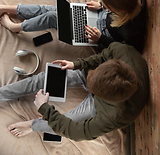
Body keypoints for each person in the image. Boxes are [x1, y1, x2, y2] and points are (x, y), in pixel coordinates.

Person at [0, 42, 149, 141]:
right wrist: (77, 64)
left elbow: (76, 131)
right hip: (103, 84)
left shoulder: (116, 116)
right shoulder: (122, 50)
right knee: (45, 78)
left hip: (101, 106)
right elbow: (101, 57)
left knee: (66, 122)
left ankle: (32, 125)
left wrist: (44, 109)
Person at [0, 0, 147, 53]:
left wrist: (100, 38)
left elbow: (127, 50)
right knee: (53, 9)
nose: (105, 5)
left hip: (98, 34)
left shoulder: (132, 30)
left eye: (109, 6)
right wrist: (101, 6)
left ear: (120, 11)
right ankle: (7, 8)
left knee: (52, 17)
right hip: (99, 15)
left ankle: (16, 27)